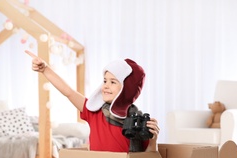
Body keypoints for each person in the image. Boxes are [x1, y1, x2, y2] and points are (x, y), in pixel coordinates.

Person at [25, 50, 160, 152]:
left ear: (127, 89)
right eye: (105, 81)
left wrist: (153, 141)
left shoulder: (138, 123)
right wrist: (45, 70)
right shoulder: (94, 112)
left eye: (113, 82)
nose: (106, 85)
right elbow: (69, 92)